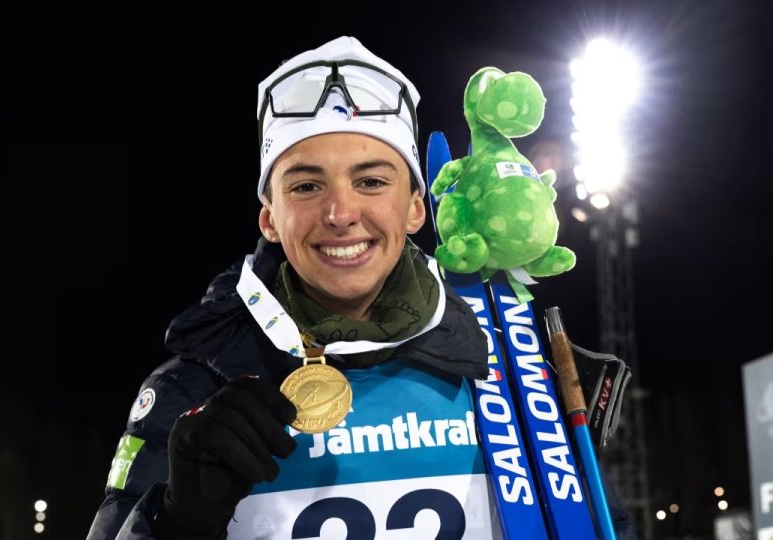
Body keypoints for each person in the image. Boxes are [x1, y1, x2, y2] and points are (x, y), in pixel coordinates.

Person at [87, 36, 634, 539]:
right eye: (306, 185)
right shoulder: (194, 385)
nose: (340, 213)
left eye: (371, 181)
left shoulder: (512, 364)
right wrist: (176, 522)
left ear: (416, 207)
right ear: (270, 218)